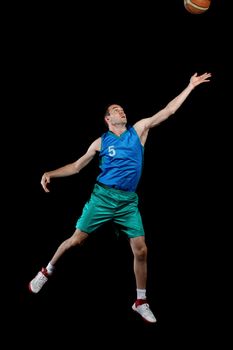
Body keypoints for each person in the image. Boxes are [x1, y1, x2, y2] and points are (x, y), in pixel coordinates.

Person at [29, 72, 211, 323]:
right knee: (76, 241)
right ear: (107, 119)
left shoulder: (138, 130)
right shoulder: (100, 142)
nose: (121, 111)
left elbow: (168, 111)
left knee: (141, 250)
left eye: (122, 109)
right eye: (116, 110)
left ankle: (140, 301)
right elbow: (76, 166)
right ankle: (46, 270)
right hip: (102, 197)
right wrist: (50, 172)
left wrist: (190, 86)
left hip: (127, 202)